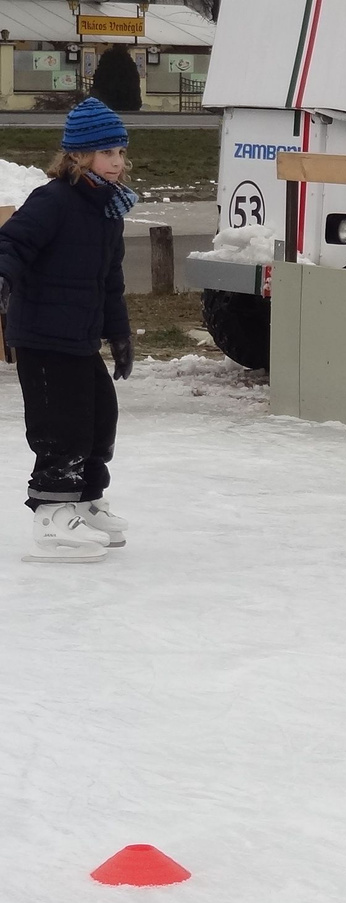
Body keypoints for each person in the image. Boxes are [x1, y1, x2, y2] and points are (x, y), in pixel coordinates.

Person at [0, 97, 137, 563]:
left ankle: (83, 500)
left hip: (77, 335)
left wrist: (119, 334)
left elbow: (109, 282)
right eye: (107, 153)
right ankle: (52, 516)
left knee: (100, 416)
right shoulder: (54, 199)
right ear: (78, 156)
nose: (117, 161)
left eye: (120, 152)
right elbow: (12, 243)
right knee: (62, 425)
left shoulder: (106, 209)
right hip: (42, 334)